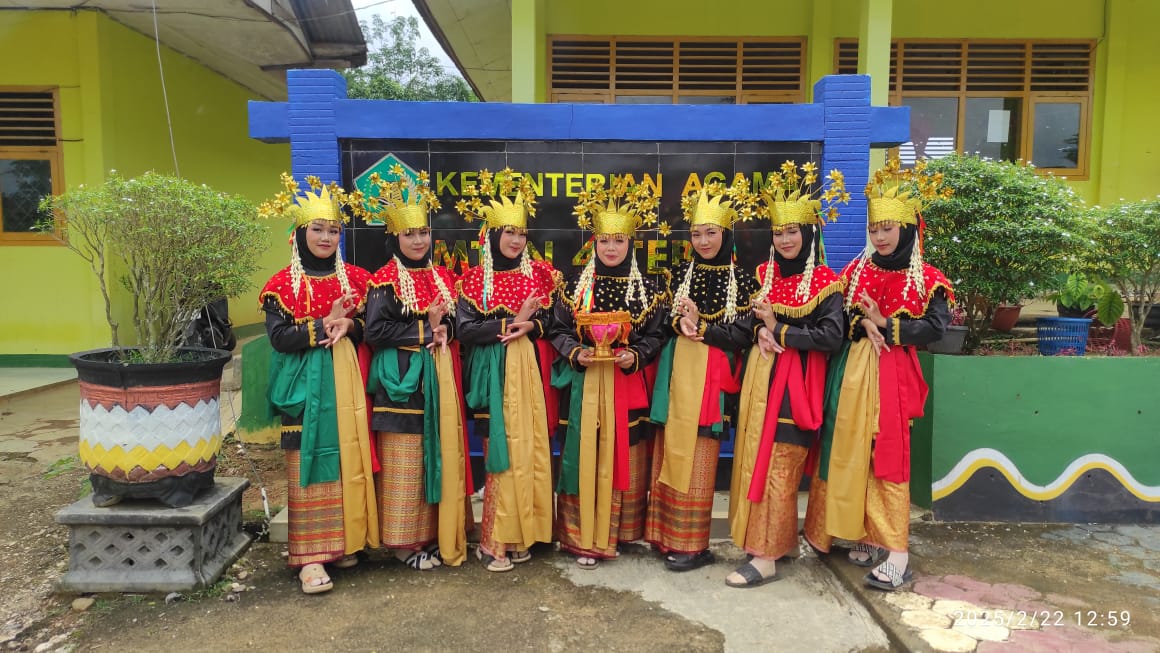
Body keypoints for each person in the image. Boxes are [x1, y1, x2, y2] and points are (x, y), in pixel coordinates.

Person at [803, 158, 954, 591]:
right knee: (845, 452)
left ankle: (897, 554)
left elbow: (936, 328)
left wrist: (886, 324)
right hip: (849, 375)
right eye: (874, 229)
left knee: (885, 457)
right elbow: (839, 316)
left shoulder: (926, 278)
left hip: (890, 376)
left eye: (887, 228)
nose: (880, 237)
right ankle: (862, 533)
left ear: (907, 228)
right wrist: (860, 323)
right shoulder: (856, 270)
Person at [726, 163, 848, 587]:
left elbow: (831, 337)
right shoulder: (766, 276)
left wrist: (778, 329)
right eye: (778, 233)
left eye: (793, 231)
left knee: (779, 466)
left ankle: (766, 556)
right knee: (758, 463)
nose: (785, 240)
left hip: (797, 390)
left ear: (809, 233)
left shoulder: (827, 283)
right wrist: (758, 330)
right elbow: (748, 324)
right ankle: (774, 543)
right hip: (761, 385)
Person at [258, 173, 380, 595]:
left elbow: (371, 329)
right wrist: (323, 323)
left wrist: (351, 325)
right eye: (318, 229)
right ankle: (310, 557)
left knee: (348, 462)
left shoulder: (359, 280)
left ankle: (345, 543)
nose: (326, 237)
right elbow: (279, 339)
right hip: (305, 389)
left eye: (333, 230)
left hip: (349, 385)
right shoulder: (281, 285)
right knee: (306, 465)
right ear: (299, 233)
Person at [548, 176, 668, 569]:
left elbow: (657, 335)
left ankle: (618, 533)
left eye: (618, 241)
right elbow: (557, 329)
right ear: (594, 243)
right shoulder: (574, 287)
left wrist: (635, 355)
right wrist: (575, 352)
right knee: (583, 453)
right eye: (604, 241)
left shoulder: (647, 289)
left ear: (630, 243)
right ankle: (581, 538)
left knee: (624, 454)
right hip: (583, 386)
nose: (611, 248)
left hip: (625, 387)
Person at [646, 175, 762, 572]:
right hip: (675, 377)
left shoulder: (743, 281)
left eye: (711, 233)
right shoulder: (680, 273)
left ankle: (692, 545)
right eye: (696, 234)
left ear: (726, 234)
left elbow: (744, 334)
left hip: (710, 382)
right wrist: (679, 324)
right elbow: (662, 322)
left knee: (699, 457)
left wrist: (704, 328)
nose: (703, 241)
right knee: (667, 451)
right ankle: (664, 535)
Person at [364, 167, 473, 570]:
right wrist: (426, 328)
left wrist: (446, 329)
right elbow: (375, 331)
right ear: (395, 237)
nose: (418, 240)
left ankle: (435, 534)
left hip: (441, 379)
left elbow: (458, 323)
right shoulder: (385, 281)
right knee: (405, 460)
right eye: (409, 234)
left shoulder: (442, 276)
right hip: (402, 385)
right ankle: (402, 543)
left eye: (423, 232)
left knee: (438, 456)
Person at [454, 168, 558, 572]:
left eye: (522, 233)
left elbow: (558, 323)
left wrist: (533, 325)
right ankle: (494, 541)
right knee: (501, 451)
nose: (515, 240)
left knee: (530, 450)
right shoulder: (473, 281)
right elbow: (465, 330)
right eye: (508, 232)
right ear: (492, 234)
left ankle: (525, 534)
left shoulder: (542, 276)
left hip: (531, 374)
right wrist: (513, 321)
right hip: (493, 377)